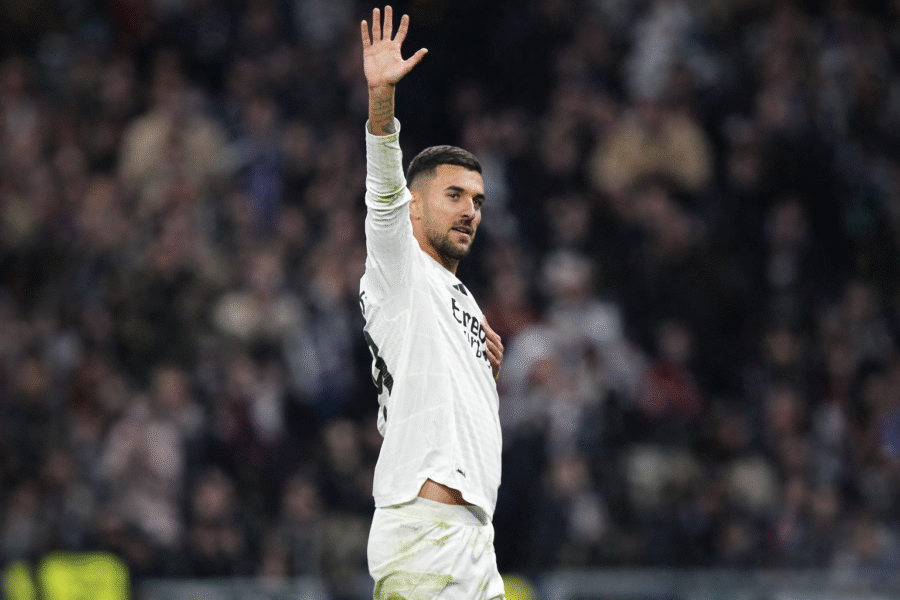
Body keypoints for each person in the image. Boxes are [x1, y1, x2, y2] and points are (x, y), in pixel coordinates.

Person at [358, 6, 506, 599]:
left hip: (474, 539)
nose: (470, 209)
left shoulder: (459, 298)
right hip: (425, 534)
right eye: (453, 194)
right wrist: (381, 101)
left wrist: (482, 361)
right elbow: (383, 189)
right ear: (416, 207)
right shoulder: (398, 271)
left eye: (477, 198)